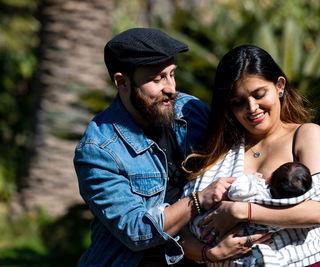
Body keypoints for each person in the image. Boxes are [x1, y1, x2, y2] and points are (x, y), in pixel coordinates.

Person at [74, 28, 268, 267]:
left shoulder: (191, 110)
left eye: (172, 74)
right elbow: (137, 231)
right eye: (157, 79)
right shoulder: (98, 150)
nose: (171, 88)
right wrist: (199, 201)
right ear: (121, 82)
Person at [181, 44, 320, 266]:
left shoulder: (305, 135)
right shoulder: (217, 149)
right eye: (238, 102)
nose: (252, 108)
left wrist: (240, 210)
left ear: (280, 86)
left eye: (259, 94)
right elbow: (179, 230)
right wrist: (209, 253)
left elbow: (317, 211)